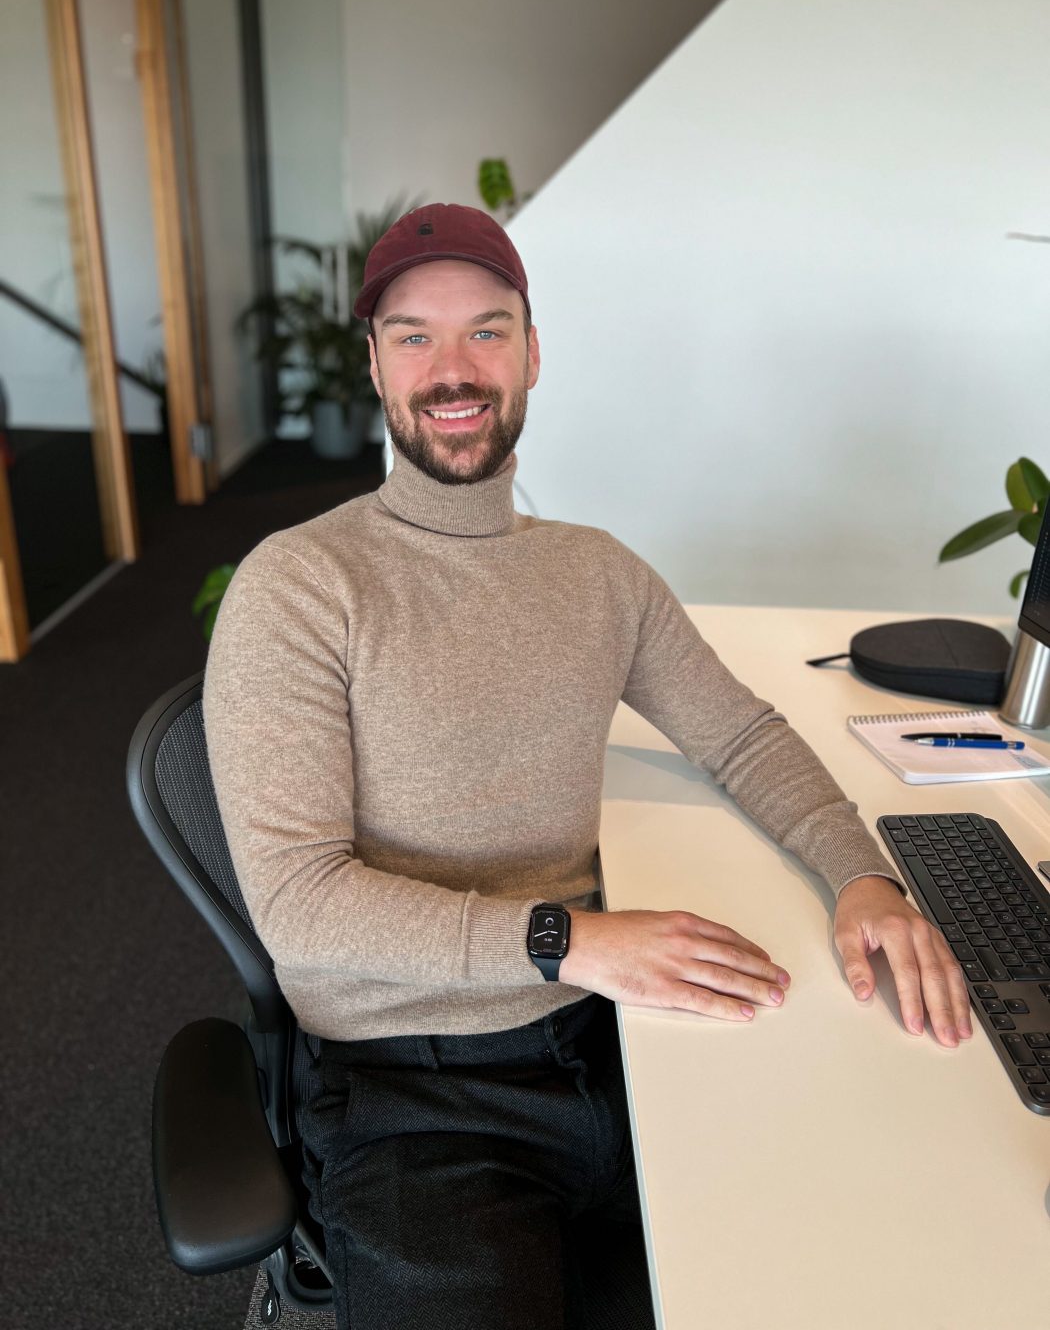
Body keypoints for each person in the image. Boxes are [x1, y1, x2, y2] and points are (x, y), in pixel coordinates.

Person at [203, 204, 971, 1330]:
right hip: (418, 1093)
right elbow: (301, 907)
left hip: (614, 1040)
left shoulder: (598, 574)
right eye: (414, 335)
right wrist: (572, 937)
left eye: (488, 331)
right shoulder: (302, 584)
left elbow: (743, 733)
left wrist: (861, 874)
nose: (452, 369)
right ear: (373, 362)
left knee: (857, 1260)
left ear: (533, 351)